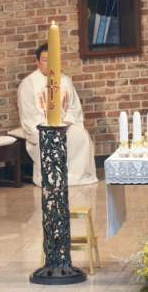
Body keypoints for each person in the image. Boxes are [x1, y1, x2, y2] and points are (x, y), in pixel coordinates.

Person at [17, 44, 98, 187]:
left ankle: (79, 177)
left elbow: (74, 106)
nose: (49, 64)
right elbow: (29, 114)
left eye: (53, 60)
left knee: (82, 137)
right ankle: (53, 179)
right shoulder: (28, 84)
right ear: (38, 62)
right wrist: (49, 127)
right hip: (41, 127)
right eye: (45, 60)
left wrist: (67, 121)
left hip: (64, 125)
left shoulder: (65, 80)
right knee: (52, 140)